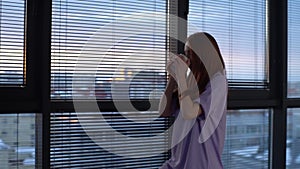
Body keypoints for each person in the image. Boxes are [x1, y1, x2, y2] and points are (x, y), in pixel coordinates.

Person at [158, 32, 228, 169]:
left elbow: (189, 112)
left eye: (190, 53)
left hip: (201, 162)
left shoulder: (218, 81)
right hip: (178, 162)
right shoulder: (191, 82)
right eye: (186, 53)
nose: (187, 59)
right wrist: (173, 79)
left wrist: (181, 77)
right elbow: (163, 111)